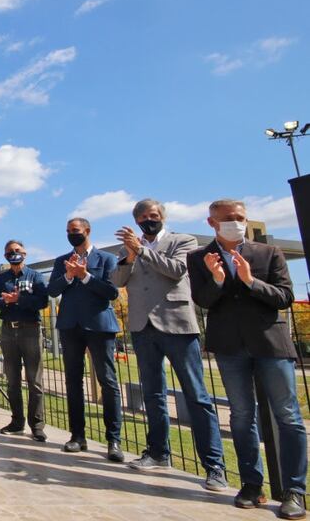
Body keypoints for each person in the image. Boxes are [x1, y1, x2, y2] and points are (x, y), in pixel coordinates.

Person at [187, 199, 306, 518]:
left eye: (240, 217)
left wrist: (251, 280)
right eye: (228, 218)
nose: (235, 222)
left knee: (288, 415)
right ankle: (252, 484)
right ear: (211, 222)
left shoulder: (269, 253)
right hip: (229, 345)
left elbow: (284, 296)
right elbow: (202, 300)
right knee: (241, 415)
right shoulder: (199, 258)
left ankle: (295, 490)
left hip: (270, 343)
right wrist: (219, 280)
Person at [113, 199, 227, 490]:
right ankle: (158, 452)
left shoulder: (182, 240)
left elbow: (176, 270)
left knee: (196, 396)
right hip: (142, 326)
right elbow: (118, 281)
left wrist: (142, 251)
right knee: (153, 394)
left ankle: (215, 466)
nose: (148, 220)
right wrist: (128, 256)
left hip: (176, 324)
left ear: (162, 216)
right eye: (142, 217)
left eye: (153, 215)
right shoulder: (132, 248)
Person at [48, 218, 123, 462]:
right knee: (72, 381)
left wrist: (86, 276)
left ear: (87, 231)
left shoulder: (107, 259)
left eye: (76, 231)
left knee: (108, 381)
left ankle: (114, 440)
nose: (72, 234)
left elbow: (111, 292)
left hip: (99, 325)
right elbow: (52, 290)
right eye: (68, 231)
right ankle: (77, 436)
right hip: (71, 326)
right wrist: (69, 276)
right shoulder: (62, 261)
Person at [0, 240, 48, 441]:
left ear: (25, 253)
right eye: (9, 252)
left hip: (30, 330)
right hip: (8, 331)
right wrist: (5, 300)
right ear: (5, 256)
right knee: (12, 380)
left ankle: (37, 425)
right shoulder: (2, 278)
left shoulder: (35, 276)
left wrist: (19, 300)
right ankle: (17, 422)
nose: (13, 254)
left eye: (17, 251)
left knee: (34, 381)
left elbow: (42, 301)